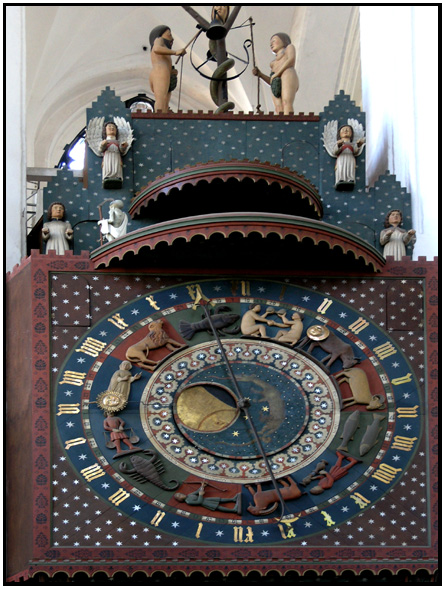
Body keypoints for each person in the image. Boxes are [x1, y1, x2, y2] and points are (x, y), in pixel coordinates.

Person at [252, 32, 299, 115]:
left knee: (286, 102)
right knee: (278, 107)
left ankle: (288, 120)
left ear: (283, 40)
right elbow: (271, 81)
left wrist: (277, 74)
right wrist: (260, 75)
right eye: (270, 43)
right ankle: (281, 121)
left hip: (288, 74)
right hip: (276, 80)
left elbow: (291, 60)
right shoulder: (273, 64)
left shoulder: (289, 48)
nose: (271, 44)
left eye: (274, 41)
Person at [149, 26, 186, 113]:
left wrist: (171, 72)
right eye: (169, 35)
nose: (172, 38)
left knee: (165, 100)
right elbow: (156, 49)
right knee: (161, 98)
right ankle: (159, 118)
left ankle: (164, 114)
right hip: (160, 70)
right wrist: (175, 52)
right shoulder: (159, 40)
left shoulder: (165, 48)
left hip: (164, 71)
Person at [174, 482, 242, 514]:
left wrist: (202, 486)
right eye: (179, 496)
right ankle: (233, 510)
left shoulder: (189, 495)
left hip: (206, 499)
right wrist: (201, 495)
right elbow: (199, 502)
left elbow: (197, 491)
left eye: (180, 494)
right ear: (180, 499)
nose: (181, 495)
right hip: (205, 503)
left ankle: (233, 499)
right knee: (218, 507)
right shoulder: (188, 501)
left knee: (219, 499)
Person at [333, 124, 365, 189]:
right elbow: (335, 152)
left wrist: (358, 146)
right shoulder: (338, 143)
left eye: (348, 130)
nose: (345, 131)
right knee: (341, 167)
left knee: (350, 167)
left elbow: (355, 152)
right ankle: (341, 179)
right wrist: (339, 146)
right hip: (341, 158)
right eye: (343, 130)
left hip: (350, 158)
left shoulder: (352, 144)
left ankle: (350, 178)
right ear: (339, 134)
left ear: (351, 133)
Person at [99, 121, 128, 188]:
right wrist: (103, 145)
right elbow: (101, 149)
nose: (112, 128)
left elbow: (122, 151)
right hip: (108, 156)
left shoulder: (118, 142)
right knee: (108, 166)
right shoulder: (104, 141)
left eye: (113, 127)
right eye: (109, 127)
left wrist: (123, 147)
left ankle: (117, 177)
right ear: (105, 130)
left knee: (116, 166)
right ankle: (107, 176)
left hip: (116, 156)